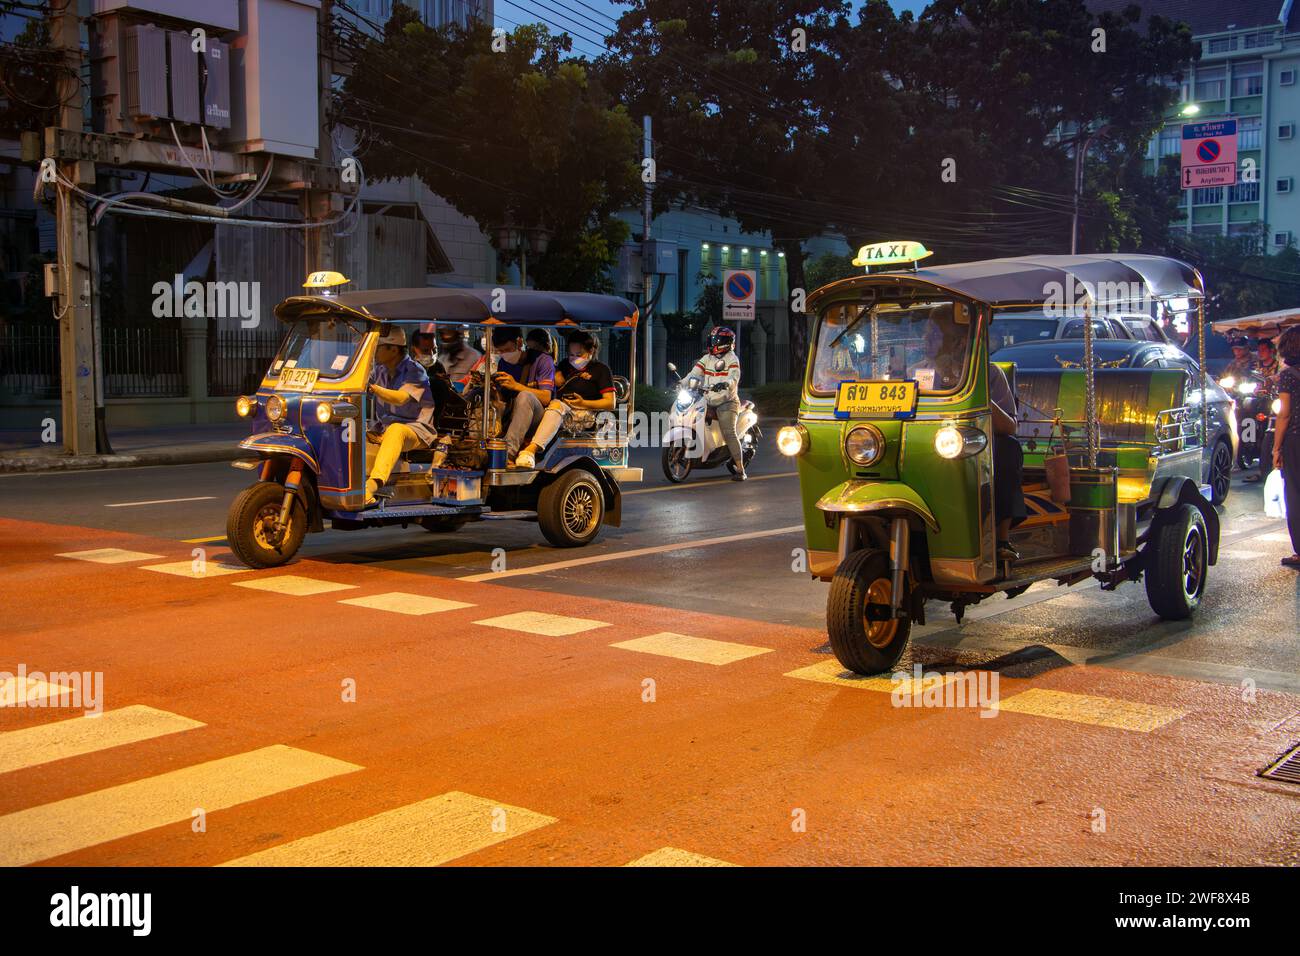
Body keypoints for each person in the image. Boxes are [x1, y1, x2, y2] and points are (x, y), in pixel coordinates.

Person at [514, 330, 615, 469]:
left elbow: (610, 402)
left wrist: (583, 403)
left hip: (584, 415)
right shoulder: (564, 365)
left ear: (591, 351)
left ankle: (531, 450)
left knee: (557, 405)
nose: (574, 359)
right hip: (558, 411)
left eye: (579, 355)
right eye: (571, 355)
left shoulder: (601, 370)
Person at [364, 326, 437, 506]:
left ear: (393, 349)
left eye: (379, 347)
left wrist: (372, 388)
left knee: (396, 430)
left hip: (416, 431)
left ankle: (372, 486)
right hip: (385, 428)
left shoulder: (415, 371)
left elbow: (400, 398)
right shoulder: (379, 371)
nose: (374, 352)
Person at [684, 325, 746, 480]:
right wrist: (682, 382)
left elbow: (734, 377)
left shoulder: (732, 359)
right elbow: (694, 374)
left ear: (727, 342)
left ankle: (740, 469)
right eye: (712, 340)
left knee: (729, 432)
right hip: (707, 399)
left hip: (727, 401)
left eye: (717, 340)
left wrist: (726, 384)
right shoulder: (707, 358)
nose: (713, 343)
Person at [488, 326, 557, 463]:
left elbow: (546, 397)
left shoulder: (543, 360)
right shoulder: (503, 363)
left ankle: (508, 453)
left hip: (537, 417)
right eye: (500, 351)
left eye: (507, 350)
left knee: (525, 396)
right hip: (512, 415)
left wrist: (516, 386)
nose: (504, 354)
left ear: (519, 343)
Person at [989, 360, 1026, 562]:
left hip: (972, 440)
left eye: (937, 336)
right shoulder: (918, 369)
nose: (930, 340)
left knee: (1008, 447)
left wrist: (979, 393)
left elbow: (1009, 427)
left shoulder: (990, 372)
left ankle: (1002, 539)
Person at [1271, 326, 1300, 569]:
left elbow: (1284, 415)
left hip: (1295, 440)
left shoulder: (1288, 375)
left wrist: (1276, 448)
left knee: (1295, 494)